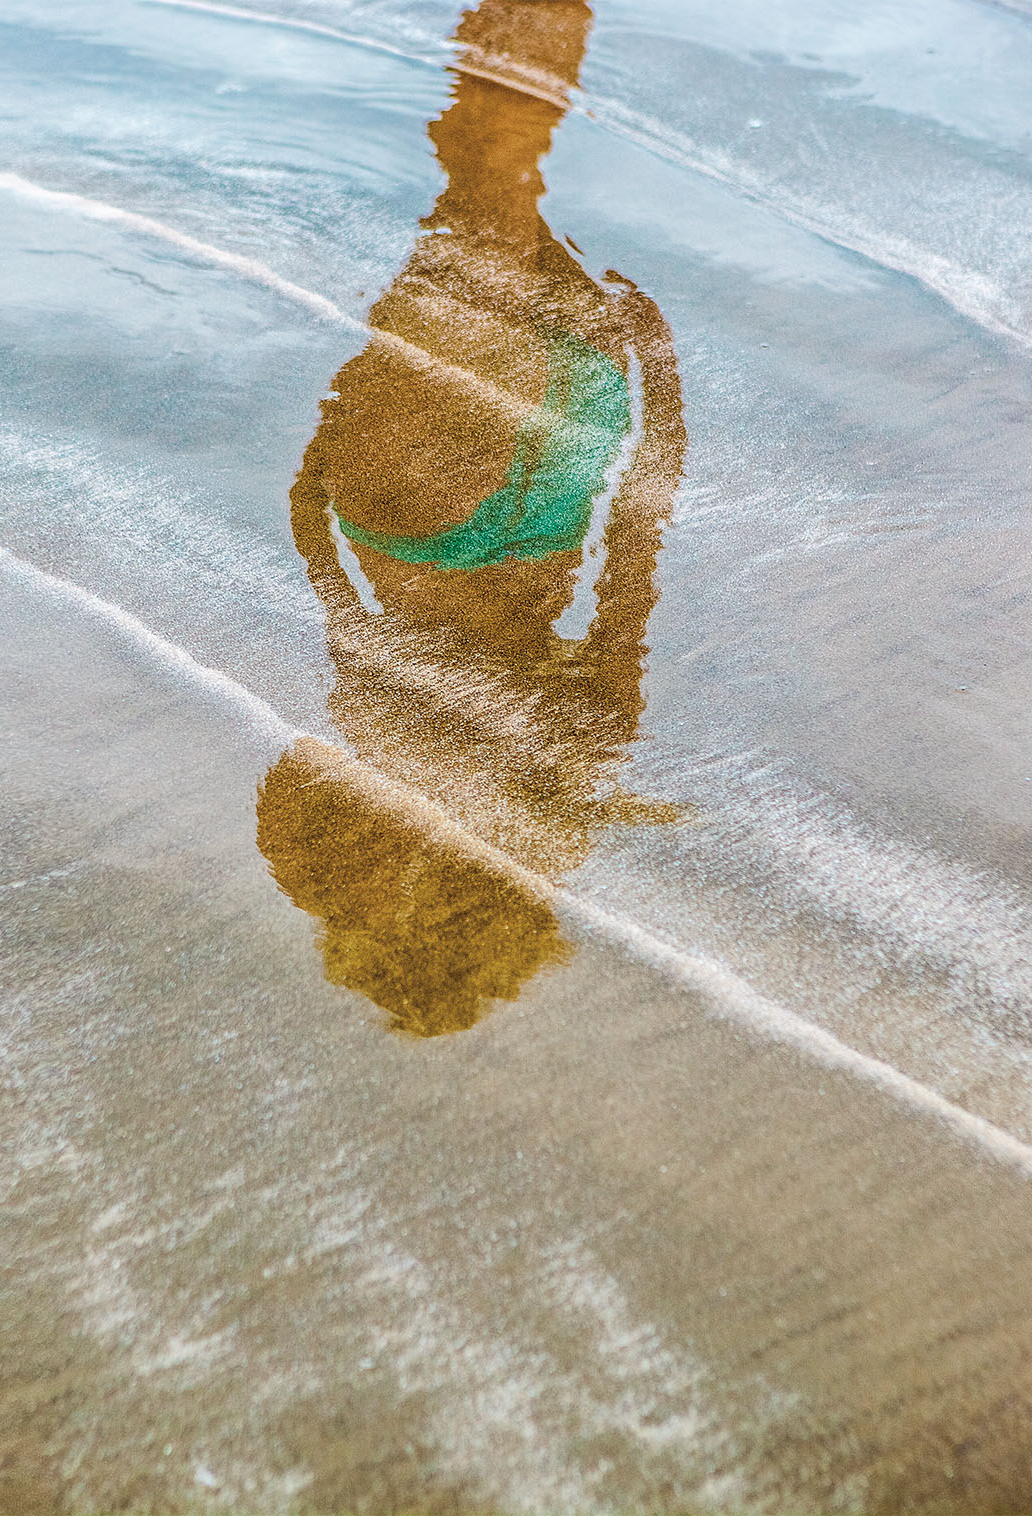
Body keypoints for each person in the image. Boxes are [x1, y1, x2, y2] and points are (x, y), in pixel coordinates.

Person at [258, 0, 688, 1037]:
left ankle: (534, 19)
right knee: (487, 176)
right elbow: (334, 618)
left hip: (545, 479)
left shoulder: (559, 803)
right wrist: (320, 479)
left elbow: (638, 554)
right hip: (408, 513)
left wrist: (660, 383)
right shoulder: (355, 846)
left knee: (497, 173)